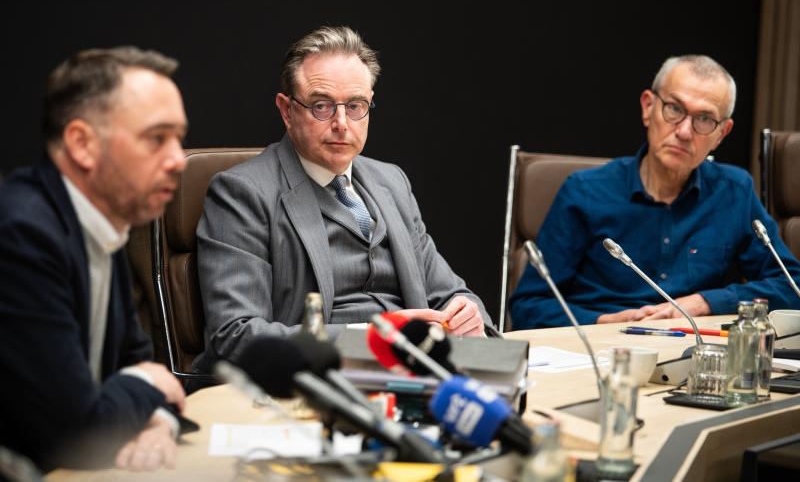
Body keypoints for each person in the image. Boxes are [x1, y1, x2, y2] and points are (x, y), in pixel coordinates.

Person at [195, 26, 496, 373]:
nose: (341, 123)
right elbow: (236, 335)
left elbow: (449, 292)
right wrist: (372, 339)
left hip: (412, 375)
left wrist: (468, 314)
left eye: (355, 106)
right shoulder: (242, 193)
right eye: (321, 106)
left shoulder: (391, 182)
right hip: (316, 380)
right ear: (287, 111)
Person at [0, 47, 189, 471]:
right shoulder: (21, 234)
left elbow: (138, 367)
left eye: (179, 137)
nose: (179, 159)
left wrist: (158, 423)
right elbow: (70, 432)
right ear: (82, 144)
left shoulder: (104, 222)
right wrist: (148, 386)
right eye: (156, 138)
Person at [511, 55, 800, 329]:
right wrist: (602, 322)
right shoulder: (584, 191)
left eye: (704, 119)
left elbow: (792, 286)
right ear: (648, 108)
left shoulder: (733, 192)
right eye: (674, 109)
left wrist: (704, 302)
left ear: (721, 134)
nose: (684, 131)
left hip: (691, 349)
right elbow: (529, 306)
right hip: (600, 349)